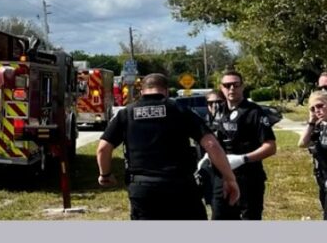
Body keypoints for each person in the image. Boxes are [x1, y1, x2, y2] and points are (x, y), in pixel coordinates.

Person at [96, 73, 239, 220]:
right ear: (166, 91)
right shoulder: (179, 110)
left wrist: (105, 175)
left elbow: (103, 149)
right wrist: (230, 178)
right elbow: (211, 144)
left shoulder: (126, 113)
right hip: (180, 187)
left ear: (141, 92)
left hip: (143, 188)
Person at [209, 70, 276, 220]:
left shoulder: (254, 112)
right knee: (220, 217)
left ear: (242, 86)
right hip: (222, 176)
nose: (231, 88)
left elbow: (271, 146)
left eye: (235, 85)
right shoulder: (219, 110)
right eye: (227, 85)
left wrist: (243, 158)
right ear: (221, 88)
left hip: (248, 177)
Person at [298, 91, 327, 220]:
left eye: (320, 106)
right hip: (323, 179)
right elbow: (302, 143)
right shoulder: (320, 126)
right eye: (313, 108)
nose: (317, 110)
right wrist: (311, 121)